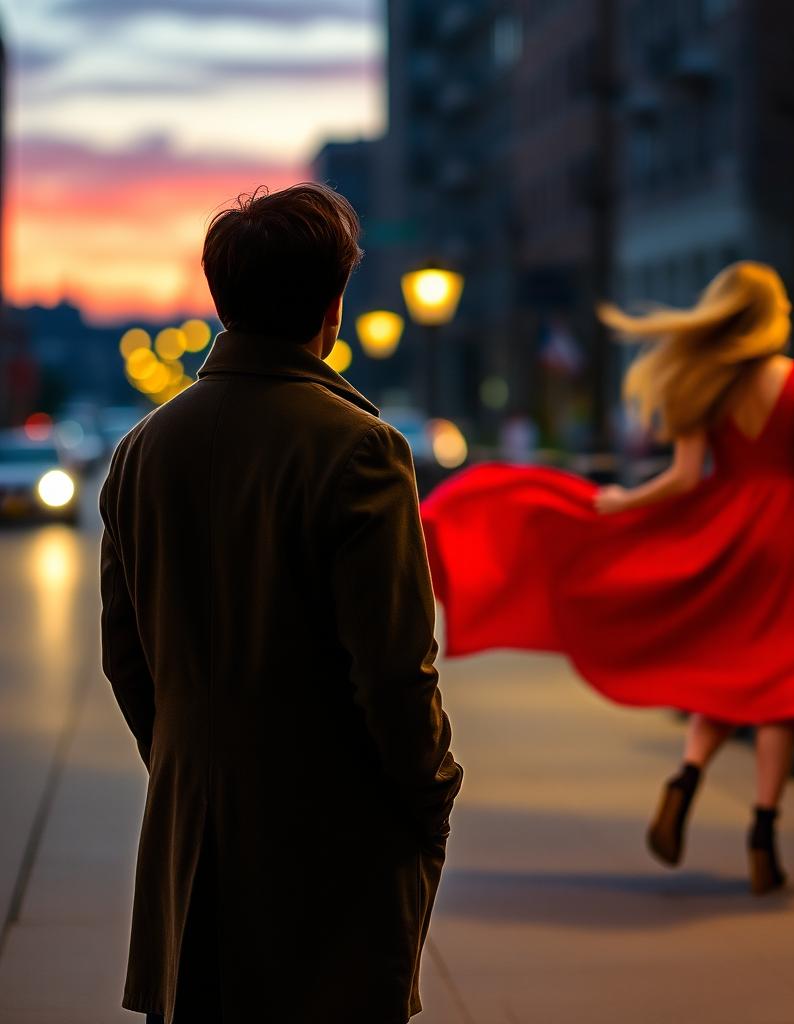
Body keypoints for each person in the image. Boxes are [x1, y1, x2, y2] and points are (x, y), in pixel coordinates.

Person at [99, 183, 462, 1024]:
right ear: (333, 306)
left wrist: (190, 765)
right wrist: (430, 792)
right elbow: (395, 668)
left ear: (223, 301)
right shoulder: (362, 449)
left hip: (189, 846)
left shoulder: (143, 453)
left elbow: (127, 660)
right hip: (327, 847)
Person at [421, 262, 794, 895]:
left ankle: (685, 779)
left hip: (727, 533)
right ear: (768, 315)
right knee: (782, 681)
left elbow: (683, 478)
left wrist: (622, 503)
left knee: (727, 670)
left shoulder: (705, 382)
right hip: (786, 534)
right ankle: (764, 828)